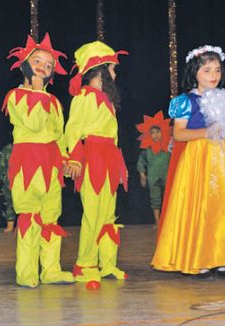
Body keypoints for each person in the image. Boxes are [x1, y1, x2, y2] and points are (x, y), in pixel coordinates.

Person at [151, 45, 225, 279]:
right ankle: (201, 258)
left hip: (222, 159)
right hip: (198, 159)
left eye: (217, 70)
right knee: (201, 206)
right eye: (207, 70)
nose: (213, 75)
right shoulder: (185, 101)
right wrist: (208, 131)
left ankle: (224, 256)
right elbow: (179, 134)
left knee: (224, 205)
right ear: (195, 72)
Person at [4, 33, 75, 287]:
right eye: (38, 62)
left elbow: (59, 135)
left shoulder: (54, 102)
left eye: (48, 64)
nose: (43, 67)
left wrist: (67, 158)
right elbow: (34, 124)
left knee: (50, 218)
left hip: (51, 165)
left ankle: (51, 270)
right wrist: (35, 91)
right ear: (24, 64)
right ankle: (26, 272)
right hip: (27, 163)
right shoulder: (16, 96)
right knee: (29, 217)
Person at [63, 41, 128, 290]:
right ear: (100, 71)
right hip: (93, 158)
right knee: (92, 213)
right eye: (112, 69)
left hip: (109, 158)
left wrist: (119, 164)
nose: (114, 74)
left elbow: (112, 136)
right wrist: (75, 159)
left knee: (108, 213)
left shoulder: (106, 100)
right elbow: (73, 130)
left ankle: (107, 262)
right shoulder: (84, 97)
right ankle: (86, 264)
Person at [135, 111, 172, 229]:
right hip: (153, 177)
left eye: (157, 132)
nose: (155, 135)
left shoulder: (168, 147)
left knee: (169, 198)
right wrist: (142, 176)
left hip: (167, 176)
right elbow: (141, 162)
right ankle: (158, 221)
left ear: (163, 132)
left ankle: (168, 221)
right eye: (152, 133)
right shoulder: (147, 150)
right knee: (155, 199)